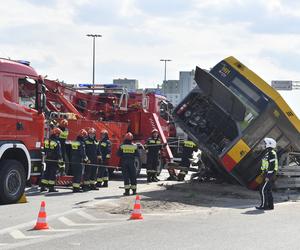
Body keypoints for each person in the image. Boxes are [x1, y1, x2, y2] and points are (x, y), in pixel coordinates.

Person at [256, 137, 278, 210]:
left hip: (269, 174)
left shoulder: (271, 153)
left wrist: (268, 176)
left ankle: (264, 206)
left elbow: (272, 166)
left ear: (269, 144)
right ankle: (270, 206)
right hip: (268, 174)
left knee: (262, 189)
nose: (264, 145)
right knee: (268, 190)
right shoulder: (269, 153)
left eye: (265, 143)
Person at [40, 127, 64, 193]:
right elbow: (59, 153)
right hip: (54, 160)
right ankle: (51, 188)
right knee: (52, 174)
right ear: (56, 134)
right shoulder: (57, 142)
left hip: (47, 159)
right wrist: (61, 163)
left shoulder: (47, 141)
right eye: (58, 134)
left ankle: (43, 187)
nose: (59, 135)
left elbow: (44, 150)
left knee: (46, 173)